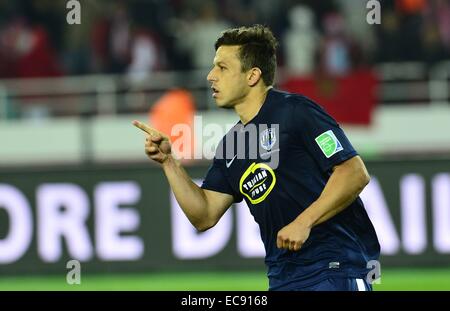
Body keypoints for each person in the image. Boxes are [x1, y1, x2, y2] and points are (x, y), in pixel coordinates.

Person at [133, 25, 380, 291]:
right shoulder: (232, 145)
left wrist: (303, 222)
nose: (210, 76)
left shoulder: (296, 112)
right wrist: (170, 163)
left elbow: (354, 172)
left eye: (222, 68)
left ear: (252, 76)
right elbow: (204, 215)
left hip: (333, 267)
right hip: (282, 277)